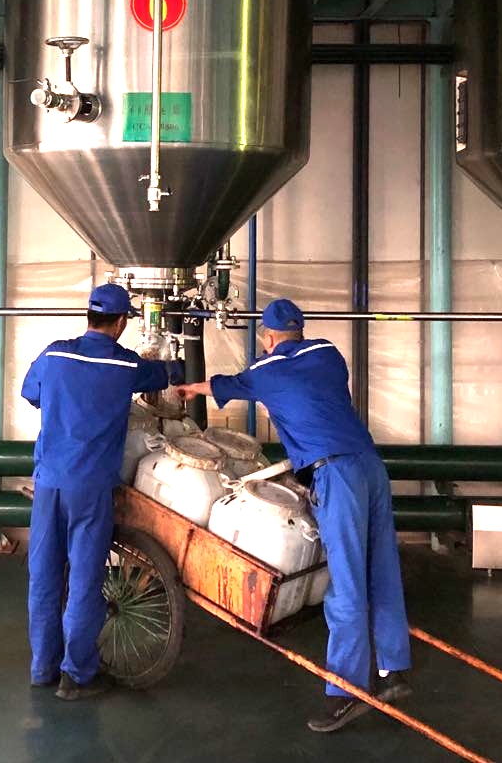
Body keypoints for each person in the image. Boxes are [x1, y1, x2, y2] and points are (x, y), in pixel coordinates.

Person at [173, 297, 412, 733]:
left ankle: (346, 692)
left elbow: (230, 384)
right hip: (370, 467)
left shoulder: (267, 370)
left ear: (268, 338)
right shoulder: (328, 353)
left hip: (335, 475)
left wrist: (191, 389)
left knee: (346, 584)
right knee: (382, 569)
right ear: (300, 329)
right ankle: (392, 670)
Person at [21, 282, 178, 701]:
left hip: (49, 483)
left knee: (44, 576)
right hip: (89, 490)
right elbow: (161, 375)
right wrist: (175, 367)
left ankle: (43, 667)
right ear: (122, 322)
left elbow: (30, 393)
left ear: (89, 315)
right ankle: (76, 675)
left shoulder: (54, 354)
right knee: (86, 579)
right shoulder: (124, 365)